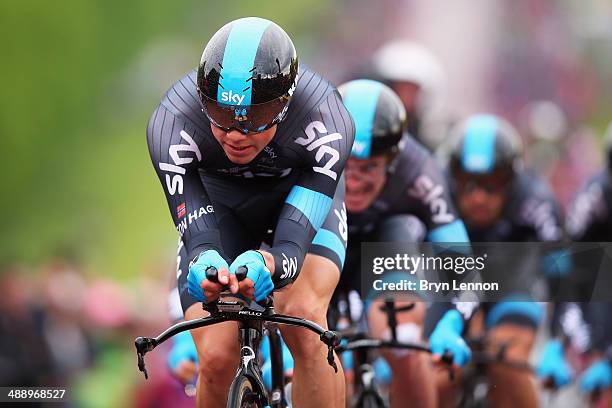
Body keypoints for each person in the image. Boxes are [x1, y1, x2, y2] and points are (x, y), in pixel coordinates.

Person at [146, 17, 354, 408]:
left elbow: (292, 246)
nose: (236, 134)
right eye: (220, 116)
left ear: (286, 103)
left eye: (254, 118)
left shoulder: (327, 118)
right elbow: (200, 236)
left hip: (298, 197)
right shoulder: (172, 122)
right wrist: (204, 261)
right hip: (221, 203)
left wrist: (271, 262)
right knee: (217, 355)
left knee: (304, 316)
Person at [335, 79, 473, 407]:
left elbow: (464, 268)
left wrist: (453, 322)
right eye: (345, 166)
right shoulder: (302, 153)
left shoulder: (421, 173)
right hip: (320, 244)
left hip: (388, 244)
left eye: (368, 168)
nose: (353, 181)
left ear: (393, 159)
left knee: (405, 343)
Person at [445, 113, 570, 408]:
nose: (479, 198)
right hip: (452, 280)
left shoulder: (536, 200)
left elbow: (563, 275)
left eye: (492, 185)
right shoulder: (436, 191)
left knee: (508, 361)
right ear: (453, 179)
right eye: (469, 184)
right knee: (438, 371)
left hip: (513, 283)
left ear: (512, 182)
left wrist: (557, 341)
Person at [372, 40, 448, 151]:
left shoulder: (425, 144)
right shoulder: (369, 132)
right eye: (401, 87)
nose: (405, 95)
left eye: (412, 90)